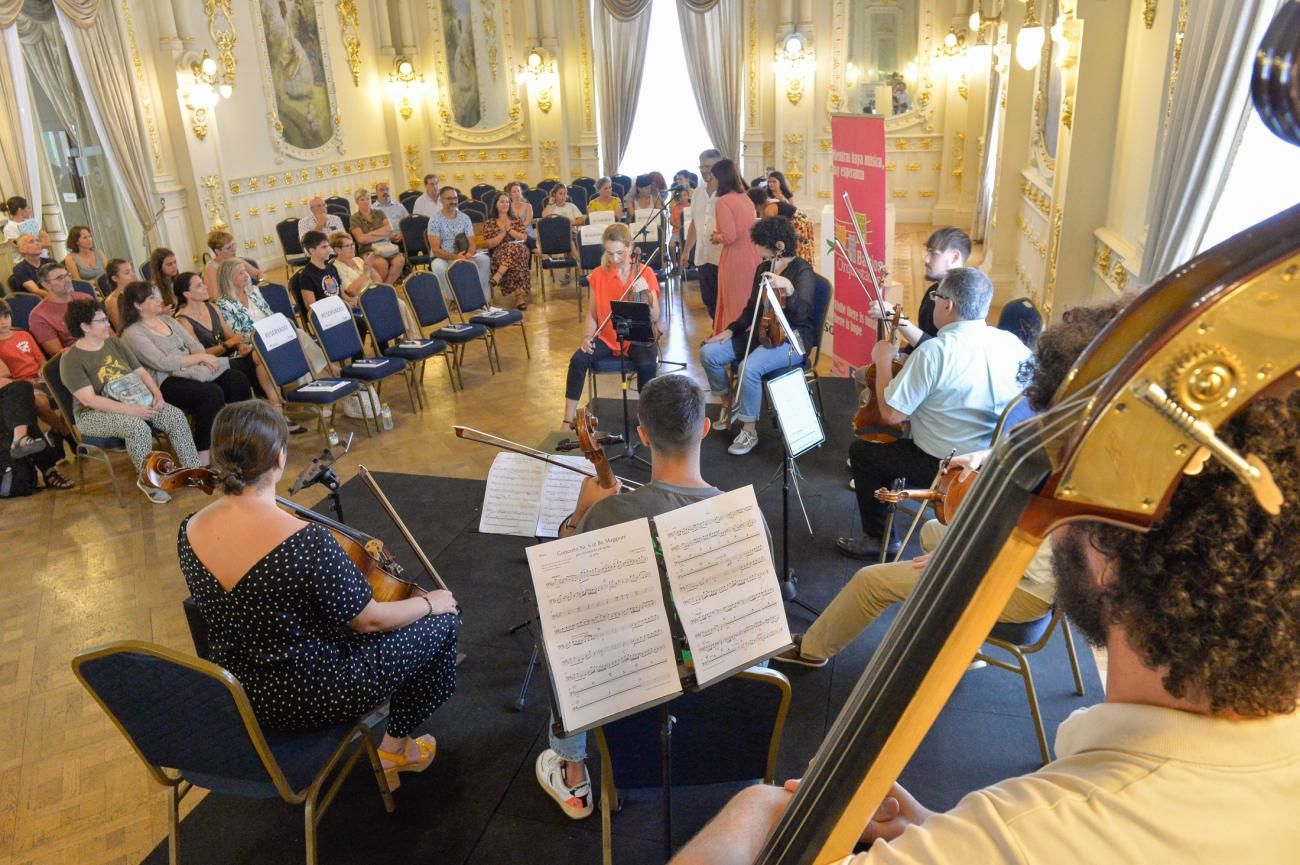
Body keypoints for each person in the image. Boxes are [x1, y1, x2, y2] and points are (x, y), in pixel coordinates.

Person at [670, 302, 1300, 865]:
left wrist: (749, 810)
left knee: (882, 574)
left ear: (1105, 545)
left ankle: (808, 650)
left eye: (1047, 497)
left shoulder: (1020, 837)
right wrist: (935, 829)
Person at [776, 302, 1126, 667]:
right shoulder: (1083, 432)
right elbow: (1035, 460)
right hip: (1024, 564)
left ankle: (809, 652)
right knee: (931, 530)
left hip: (1022, 586)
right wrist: (983, 455)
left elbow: (1024, 545)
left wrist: (958, 560)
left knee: (871, 582)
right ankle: (959, 641)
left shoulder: (1079, 466)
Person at [180, 400, 460, 787]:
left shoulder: (188, 529)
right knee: (443, 623)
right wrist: (430, 603)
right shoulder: (306, 541)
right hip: (312, 695)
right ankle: (396, 748)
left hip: (237, 692)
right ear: (279, 458)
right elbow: (371, 620)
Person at [538, 374, 720, 820]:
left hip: (635, 682)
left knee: (565, 631)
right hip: (718, 689)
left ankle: (574, 768)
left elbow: (560, 586)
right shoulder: (742, 514)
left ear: (641, 434)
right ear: (705, 429)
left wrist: (583, 511)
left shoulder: (610, 513)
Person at [840, 267, 1031, 560]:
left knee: (863, 452)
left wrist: (882, 362)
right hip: (996, 461)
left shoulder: (935, 353)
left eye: (936, 295)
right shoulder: (1011, 343)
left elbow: (891, 414)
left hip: (945, 467)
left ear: (947, 304)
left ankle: (879, 539)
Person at [59, 298, 200, 503]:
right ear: (84, 327)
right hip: (93, 415)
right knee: (137, 428)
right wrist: (132, 410)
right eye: (101, 321)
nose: (108, 324)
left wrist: (157, 394)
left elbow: (141, 372)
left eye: (106, 319)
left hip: (135, 400)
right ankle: (148, 481)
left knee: (175, 416)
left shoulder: (114, 343)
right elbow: (89, 400)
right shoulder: (71, 359)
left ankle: (192, 470)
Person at [701, 216, 818, 455]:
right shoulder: (764, 268)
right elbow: (752, 308)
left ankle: (749, 430)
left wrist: (789, 287)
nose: (757, 251)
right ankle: (728, 405)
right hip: (761, 333)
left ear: (778, 244)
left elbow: (802, 313)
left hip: (792, 339)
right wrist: (730, 329)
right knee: (709, 353)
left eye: (760, 245)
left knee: (748, 368)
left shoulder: (803, 271)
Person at [121, 281, 252, 466]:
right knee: (211, 394)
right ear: (137, 305)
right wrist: (201, 359)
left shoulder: (168, 320)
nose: (159, 300)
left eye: (157, 294)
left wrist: (200, 356)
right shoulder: (132, 333)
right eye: (152, 298)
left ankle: (241, 438)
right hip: (165, 381)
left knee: (236, 379)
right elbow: (161, 362)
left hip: (193, 370)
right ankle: (203, 456)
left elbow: (193, 344)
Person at [173, 270, 298, 432]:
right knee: (255, 363)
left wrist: (240, 346)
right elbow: (200, 355)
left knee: (260, 355)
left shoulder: (211, 307)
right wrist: (230, 344)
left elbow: (228, 333)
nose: (205, 287)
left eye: (203, 283)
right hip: (212, 364)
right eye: (199, 285)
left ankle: (274, 409)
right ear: (187, 294)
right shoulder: (183, 320)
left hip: (231, 354)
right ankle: (274, 411)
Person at [562, 222, 660, 426]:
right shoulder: (598, 275)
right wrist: (587, 337)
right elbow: (592, 313)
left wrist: (648, 296)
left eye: (620, 253)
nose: (615, 259)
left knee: (648, 364)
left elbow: (655, 316)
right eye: (609, 253)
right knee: (578, 360)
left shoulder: (645, 272)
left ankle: (647, 419)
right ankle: (567, 420)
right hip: (607, 338)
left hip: (636, 339)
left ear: (630, 247)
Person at [214, 259, 330, 379]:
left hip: (270, 332)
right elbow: (235, 333)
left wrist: (276, 328)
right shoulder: (223, 303)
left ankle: (324, 370)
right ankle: (317, 374)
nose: (246, 275)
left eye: (245, 271)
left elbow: (269, 313)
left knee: (297, 334)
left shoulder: (253, 291)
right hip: (253, 341)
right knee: (291, 338)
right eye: (241, 273)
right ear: (229, 279)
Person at [870, 227, 971, 352]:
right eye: (928, 252)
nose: (926, 259)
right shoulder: (932, 291)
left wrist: (895, 316)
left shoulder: (963, 302)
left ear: (955, 257)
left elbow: (939, 352)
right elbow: (921, 338)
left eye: (934, 254)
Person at [0, 297, 71, 442]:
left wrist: (43, 373)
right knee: (40, 403)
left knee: (73, 388)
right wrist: (29, 383)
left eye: (6, 316)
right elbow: (5, 378)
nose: (3, 322)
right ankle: (67, 434)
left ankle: (57, 432)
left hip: (41, 377)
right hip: (22, 384)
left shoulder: (24, 335)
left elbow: (41, 360)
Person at [709, 159, 763, 337]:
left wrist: (717, 236)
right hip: (752, 255)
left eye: (714, 177)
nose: (712, 181)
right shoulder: (745, 197)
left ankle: (732, 341)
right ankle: (748, 340)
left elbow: (730, 236)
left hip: (735, 258)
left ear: (721, 178)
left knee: (734, 301)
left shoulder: (723, 201)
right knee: (748, 299)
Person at [427, 186, 491, 302]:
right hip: (443, 257)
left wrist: (469, 254)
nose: (453, 201)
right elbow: (435, 250)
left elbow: (472, 243)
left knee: (485, 260)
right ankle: (455, 300)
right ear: (441, 200)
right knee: (439, 268)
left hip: (464, 254)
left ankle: (481, 298)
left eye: (455, 198)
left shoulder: (465, 218)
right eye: (449, 199)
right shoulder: (435, 220)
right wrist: (456, 257)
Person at [682, 150, 722, 319]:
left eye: (709, 167)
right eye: (702, 167)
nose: (704, 170)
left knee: (724, 299)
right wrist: (685, 251)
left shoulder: (728, 193)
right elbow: (694, 223)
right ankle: (715, 331)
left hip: (722, 256)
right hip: (702, 256)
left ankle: (724, 337)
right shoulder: (697, 192)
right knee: (709, 299)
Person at [29, 263, 96, 357]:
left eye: (67, 275)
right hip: (79, 358)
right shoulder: (38, 316)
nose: (68, 280)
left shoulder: (85, 298)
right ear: (46, 285)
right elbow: (59, 355)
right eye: (60, 278)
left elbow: (108, 330)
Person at [483, 191, 532, 309]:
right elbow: (489, 244)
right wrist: (502, 234)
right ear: (496, 204)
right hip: (500, 253)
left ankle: (498, 275)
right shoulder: (490, 223)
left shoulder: (516, 220)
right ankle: (519, 298)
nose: (505, 204)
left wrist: (510, 230)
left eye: (507, 202)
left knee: (515, 248)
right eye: (502, 202)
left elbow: (524, 238)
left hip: (520, 249)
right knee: (514, 257)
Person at [349, 187, 405, 284]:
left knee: (400, 260)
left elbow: (389, 229)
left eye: (368, 198)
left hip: (386, 247)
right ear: (357, 202)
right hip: (368, 250)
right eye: (362, 199)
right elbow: (361, 239)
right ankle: (381, 288)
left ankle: (387, 287)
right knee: (381, 263)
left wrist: (370, 234)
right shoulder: (354, 218)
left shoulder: (379, 213)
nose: (366, 202)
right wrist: (382, 234)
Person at [202, 230, 264, 295]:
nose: (234, 249)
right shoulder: (211, 268)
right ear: (217, 251)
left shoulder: (236, 260)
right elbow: (213, 296)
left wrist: (261, 280)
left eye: (233, 245)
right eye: (228, 248)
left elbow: (258, 274)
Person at [102, 258, 136, 333]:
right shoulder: (112, 301)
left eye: (132, 270)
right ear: (115, 278)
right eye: (127, 273)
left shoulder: (137, 289)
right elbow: (121, 329)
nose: (133, 274)